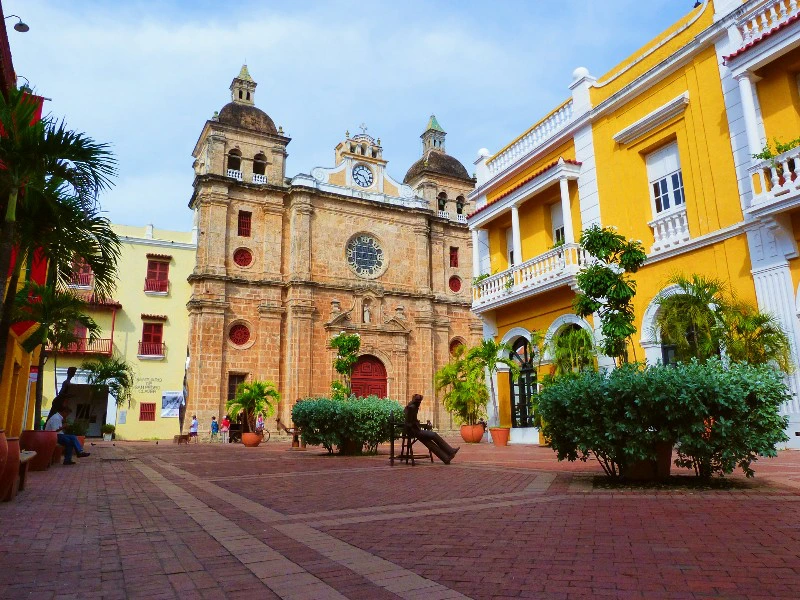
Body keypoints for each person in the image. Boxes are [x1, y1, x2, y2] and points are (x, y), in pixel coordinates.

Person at [404, 394, 459, 464]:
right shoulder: (412, 408)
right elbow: (409, 422)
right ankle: (450, 451)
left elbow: (412, 420)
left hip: (414, 430)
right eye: (419, 401)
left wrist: (417, 423)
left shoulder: (412, 407)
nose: (420, 403)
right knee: (433, 435)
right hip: (413, 431)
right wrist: (416, 424)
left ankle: (445, 458)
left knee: (428, 442)